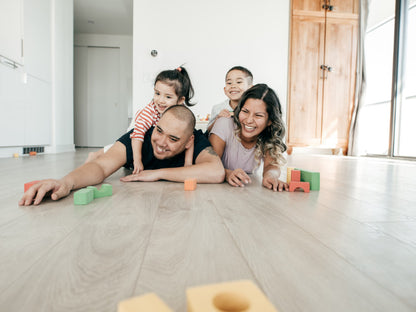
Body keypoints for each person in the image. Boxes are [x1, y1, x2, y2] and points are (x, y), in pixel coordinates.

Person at [19, 105, 225, 206]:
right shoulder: (140, 136)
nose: (161, 143)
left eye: (173, 139)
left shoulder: (196, 140)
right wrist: (65, 182)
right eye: (159, 131)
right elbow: (101, 166)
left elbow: (216, 172)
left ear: (189, 140)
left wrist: (157, 173)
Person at [85, 66, 195, 170]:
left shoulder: (182, 114)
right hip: (137, 130)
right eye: (157, 93)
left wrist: (188, 164)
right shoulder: (149, 113)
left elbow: (188, 136)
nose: (160, 100)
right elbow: (137, 135)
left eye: (168, 97)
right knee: (124, 146)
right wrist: (137, 161)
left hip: (152, 131)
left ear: (180, 101)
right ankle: (96, 154)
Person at [208, 84, 288, 191]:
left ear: (269, 121)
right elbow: (209, 165)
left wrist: (270, 176)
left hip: (243, 190)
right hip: (215, 188)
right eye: (245, 111)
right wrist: (228, 174)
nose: (249, 120)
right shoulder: (224, 124)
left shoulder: (268, 135)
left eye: (258, 115)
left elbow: (271, 166)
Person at [205, 66, 253, 134]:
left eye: (239, 82)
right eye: (229, 83)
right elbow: (208, 132)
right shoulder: (218, 108)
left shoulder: (254, 108)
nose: (233, 86)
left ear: (250, 88)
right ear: (225, 90)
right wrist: (218, 119)